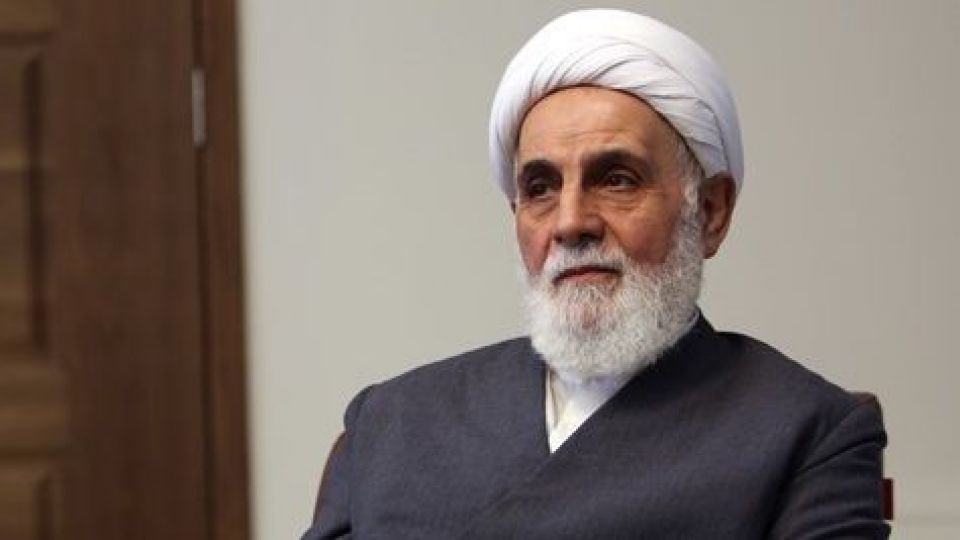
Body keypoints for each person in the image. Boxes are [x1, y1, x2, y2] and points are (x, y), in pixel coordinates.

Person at [302, 9, 888, 539]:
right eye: (540, 188)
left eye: (617, 180)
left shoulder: (806, 434)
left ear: (710, 212)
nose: (571, 222)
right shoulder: (393, 422)